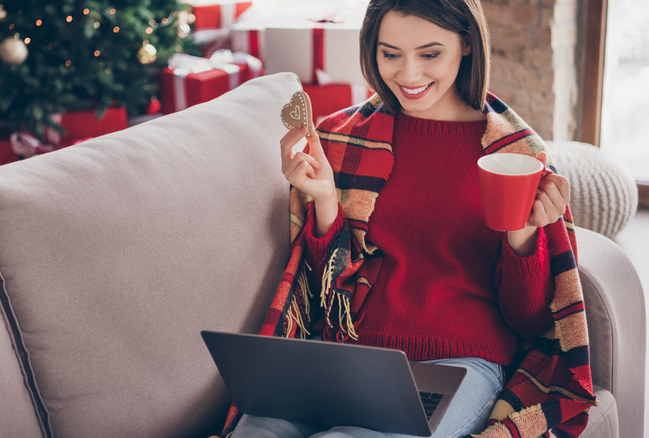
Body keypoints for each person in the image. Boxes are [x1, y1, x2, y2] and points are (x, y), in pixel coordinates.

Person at [223, 0, 597, 437]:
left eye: (430, 54)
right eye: (390, 54)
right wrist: (325, 200)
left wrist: (523, 235)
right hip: (349, 353)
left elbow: (530, 324)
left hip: (459, 362)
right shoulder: (341, 139)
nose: (409, 75)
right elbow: (325, 301)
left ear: (467, 45)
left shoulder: (515, 156)